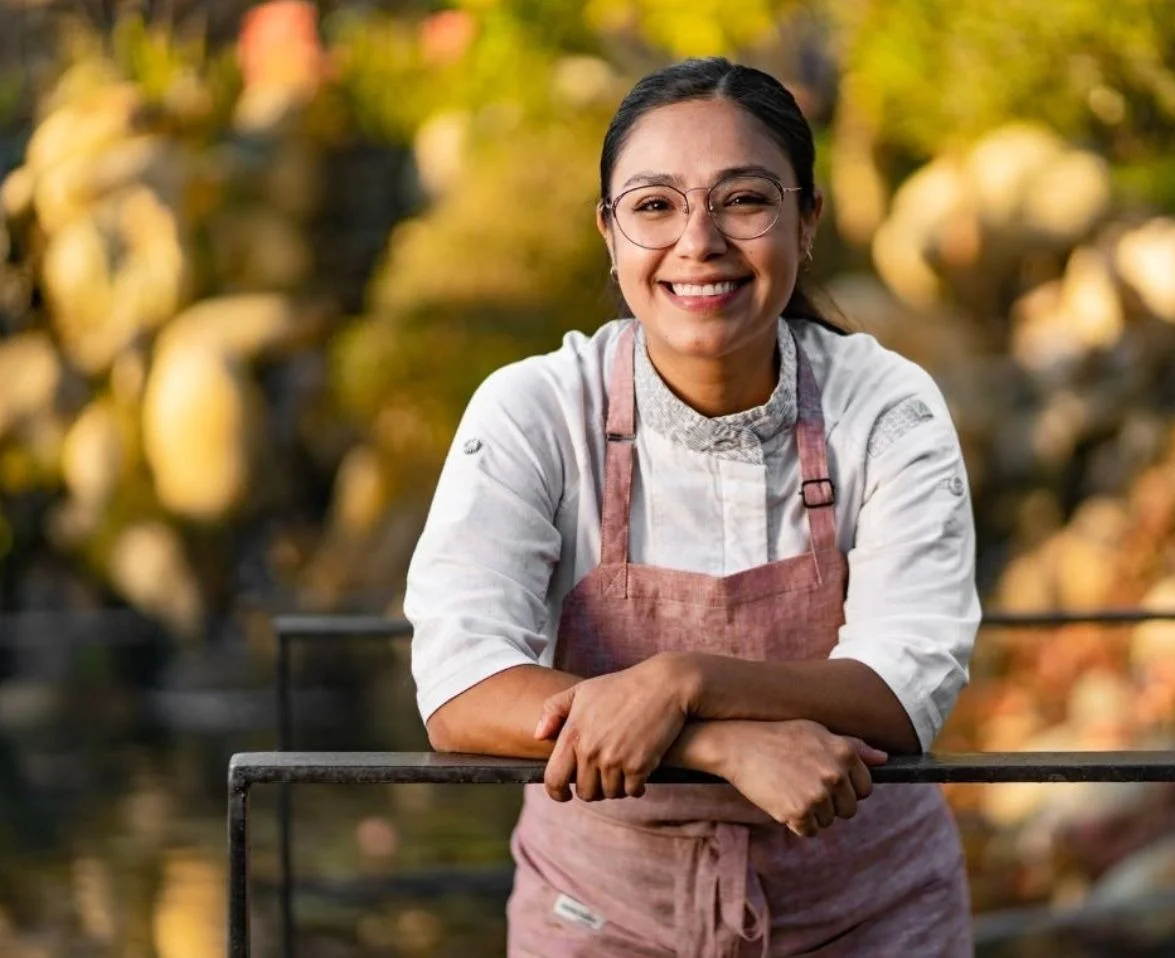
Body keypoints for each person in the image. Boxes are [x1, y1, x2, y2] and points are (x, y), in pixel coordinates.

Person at [406, 56, 981, 957]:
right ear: (608, 232)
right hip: (600, 917)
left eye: (744, 200)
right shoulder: (537, 412)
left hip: (871, 917)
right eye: (655, 205)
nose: (699, 240)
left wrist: (683, 681)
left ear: (809, 218)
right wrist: (718, 745)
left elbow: (905, 690)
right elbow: (460, 688)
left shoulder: (889, 409)